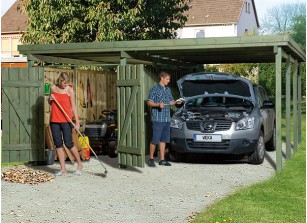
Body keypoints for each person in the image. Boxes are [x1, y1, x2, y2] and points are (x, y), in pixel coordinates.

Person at [48, 72, 84, 176]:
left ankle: (80, 164)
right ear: (59, 80)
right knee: (58, 144)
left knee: (69, 143)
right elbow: (50, 103)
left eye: (67, 83)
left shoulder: (69, 90)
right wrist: (49, 100)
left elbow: (73, 107)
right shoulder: (53, 88)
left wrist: (77, 122)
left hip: (66, 120)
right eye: (64, 83)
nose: (65, 85)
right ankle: (63, 169)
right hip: (54, 120)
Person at [147, 71, 183, 167]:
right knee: (155, 140)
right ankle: (151, 159)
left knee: (163, 140)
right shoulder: (154, 89)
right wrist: (158, 104)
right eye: (167, 79)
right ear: (162, 78)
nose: (169, 81)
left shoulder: (168, 90)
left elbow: (170, 102)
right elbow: (149, 102)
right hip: (157, 119)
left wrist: (176, 102)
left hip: (167, 119)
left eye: (169, 79)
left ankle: (162, 160)